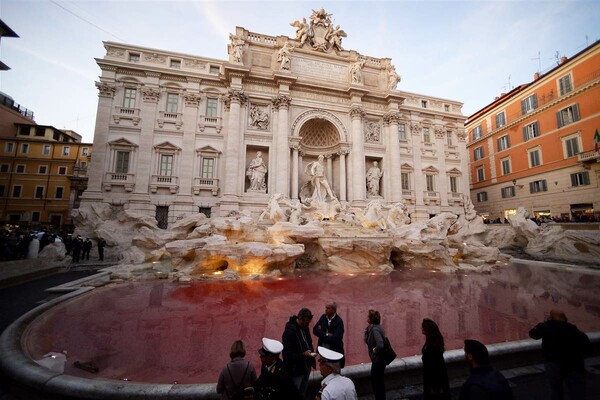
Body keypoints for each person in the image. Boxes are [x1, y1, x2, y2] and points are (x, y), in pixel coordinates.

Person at [529, 309, 591, 400]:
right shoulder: (572, 329)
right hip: (573, 364)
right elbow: (587, 346)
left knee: (555, 390)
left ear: (551, 317)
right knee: (576, 390)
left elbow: (533, 334)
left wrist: (544, 323)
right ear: (564, 318)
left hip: (553, 363)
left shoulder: (545, 326)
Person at [282, 308, 316, 398]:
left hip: (306, 367)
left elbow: (309, 342)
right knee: (295, 395)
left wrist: (312, 357)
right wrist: (303, 355)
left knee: (302, 394)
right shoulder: (289, 332)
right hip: (296, 371)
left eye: (308, 323)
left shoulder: (305, 327)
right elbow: (286, 355)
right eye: (305, 323)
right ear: (300, 318)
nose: (307, 325)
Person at [421, 319, 450, 400]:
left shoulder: (433, 346)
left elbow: (435, 366)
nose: (421, 329)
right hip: (432, 377)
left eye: (423, 327)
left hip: (434, 379)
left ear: (427, 330)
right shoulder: (432, 342)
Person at [313, 302, 345, 368]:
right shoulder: (323, 317)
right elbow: (315, 330)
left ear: (333, 310)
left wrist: (321, 336)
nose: (326, 310)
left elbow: (336, 338)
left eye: (328, 308)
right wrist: (326, 334)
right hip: (323, 352)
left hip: (334, 352)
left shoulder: (339, 322)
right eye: (326, 308)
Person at [364, 309, 387, 400]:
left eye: (368, 316)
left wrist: (374, 350)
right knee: (379, 382)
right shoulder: (376, 327)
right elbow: (367, 341)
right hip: (380, 360)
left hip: (378, 361)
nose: (367, 318)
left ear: (371, 319)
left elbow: (380, 344)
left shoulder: (375, 330)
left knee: (376, 383)